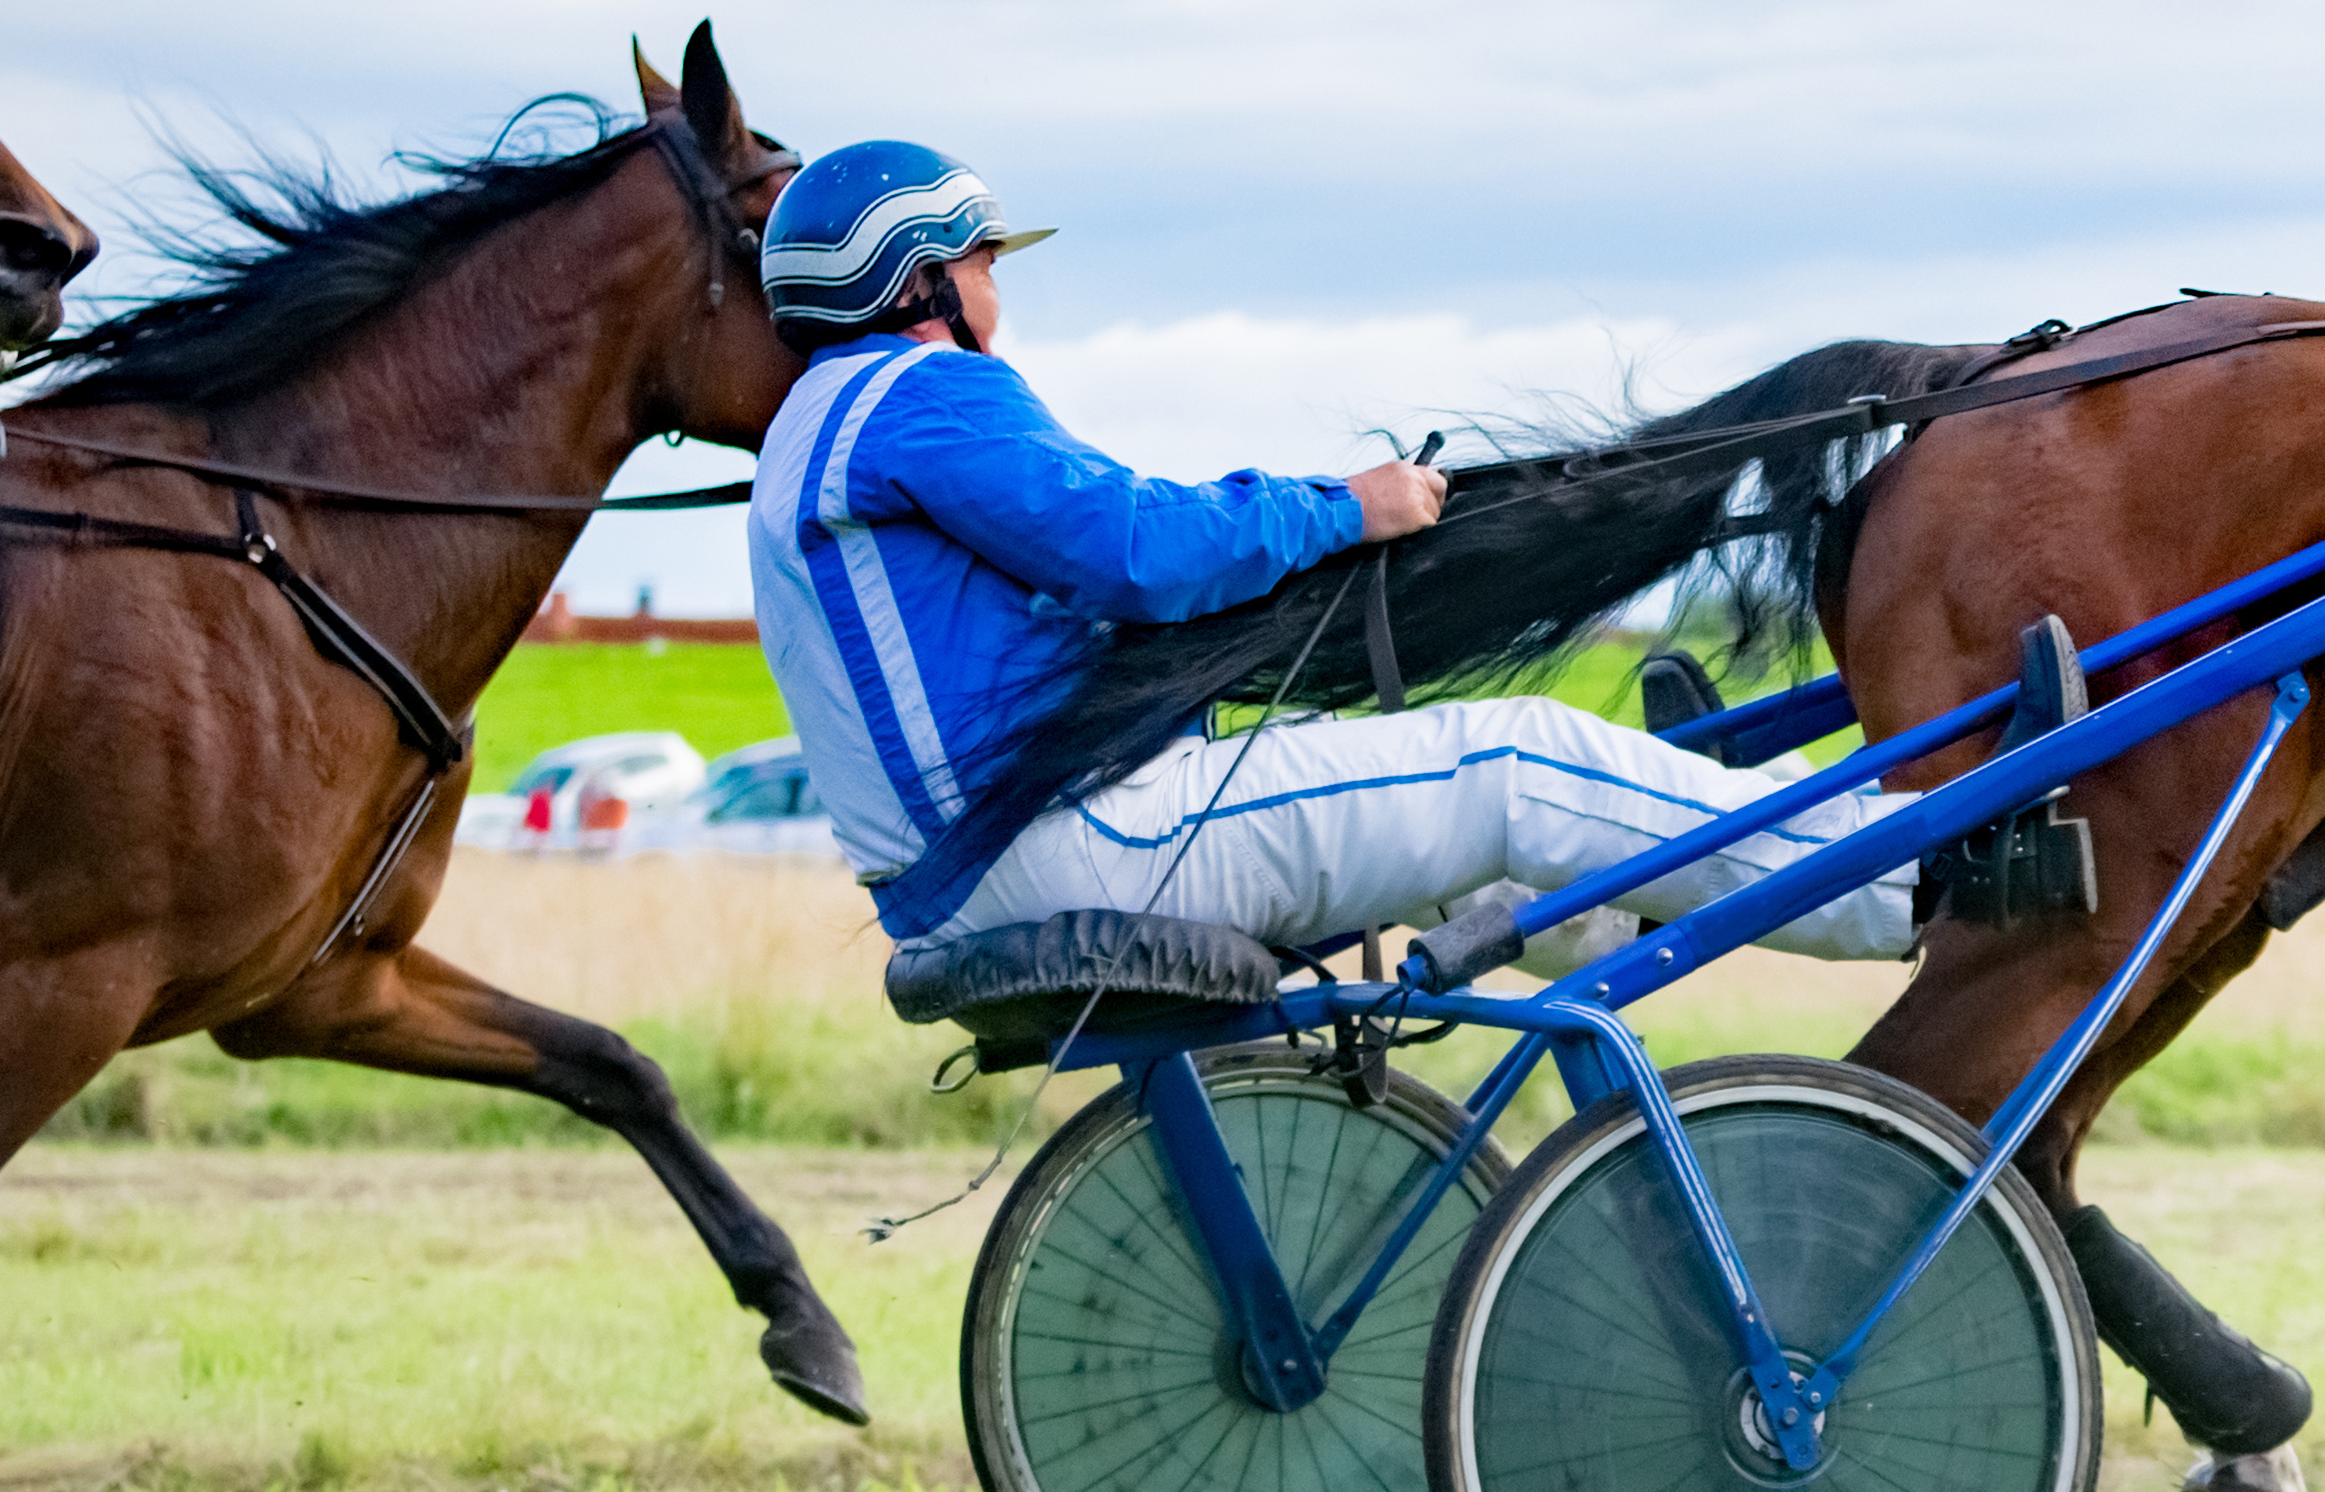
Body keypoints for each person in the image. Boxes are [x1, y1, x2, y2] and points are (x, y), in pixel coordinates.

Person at [739, 140, 1921, 965]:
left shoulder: (816, 427)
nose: (998, 280)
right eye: (984, 257)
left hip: (986, 869)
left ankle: (1696, 854)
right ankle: (1912, 881)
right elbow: (1141, 548)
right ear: (920, 276)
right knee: (1515, 755)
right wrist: (1347, 507)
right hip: (1069, 850)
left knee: (1463, 833)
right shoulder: (926, 396)